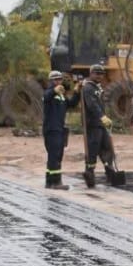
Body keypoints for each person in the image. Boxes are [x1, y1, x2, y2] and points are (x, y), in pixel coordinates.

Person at [79, 62, 122, 190]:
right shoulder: (88, 88)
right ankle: (90, 174)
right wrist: (101, 116)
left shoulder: (98, 87)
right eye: (96, 73)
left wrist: (105, 117)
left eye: (101, 74)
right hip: (92, 124)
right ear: (91, 73)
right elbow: (92, 105)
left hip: (101, 124)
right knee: (93, 149)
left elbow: (101, 104)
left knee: (107, 148)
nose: (99, 76)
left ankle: (110, 172)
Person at [41, 70, 80, 190]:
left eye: (59, 79)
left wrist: (77, 92)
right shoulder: (49, 93)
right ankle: (56, 182)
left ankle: (49, 182)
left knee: (57, 155)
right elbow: (47, 96)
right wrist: (53, 91)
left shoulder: (61, 96)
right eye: (55, 80)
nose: (58, 81)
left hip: (60, 129)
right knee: (54, 155)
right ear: (51, 81)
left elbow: (71, 104)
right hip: (51, 129)